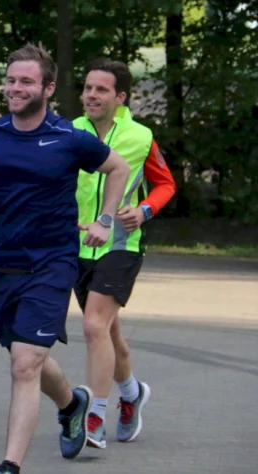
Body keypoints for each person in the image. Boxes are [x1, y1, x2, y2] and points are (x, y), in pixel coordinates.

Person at [0, 43, 131, 474]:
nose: (15, 88)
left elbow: (119, 167)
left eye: (26, 81)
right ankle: (72, 404)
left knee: (25, 362)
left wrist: (105, 219)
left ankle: (9, 466)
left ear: (48, 88)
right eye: (11, 80)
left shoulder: (68, 138)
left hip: (52, 262)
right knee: (23, 353)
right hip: (1, 263)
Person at [73, 58, 176, 449]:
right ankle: (132, 394)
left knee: (93, 327)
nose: (91, 95)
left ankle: (95, 416)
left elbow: (165, 184)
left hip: (121, 243)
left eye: (100, 89)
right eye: (87, 88)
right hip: (78, 244)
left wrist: (145, 209)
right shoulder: (70, 132)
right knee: (108, 331)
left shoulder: (141, 136)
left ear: (120, 97)